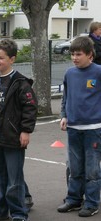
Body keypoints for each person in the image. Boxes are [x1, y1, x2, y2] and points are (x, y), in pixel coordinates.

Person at [0, 39, 38, 221]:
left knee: (14, 179)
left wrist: (25, 130)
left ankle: (19, 213)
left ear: (12, 59)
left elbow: (30, 107)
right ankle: (0, 209)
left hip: (13, 137)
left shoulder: (20, 82)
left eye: (1, 58)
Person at [58, 36, 100, 217]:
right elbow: (65, 97)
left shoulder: (98, 72)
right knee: (74, 168)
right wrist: (64, 116)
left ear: (90, 55)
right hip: (73, 129)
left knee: (92, 170)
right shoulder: (69, 73)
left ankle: (91, 203)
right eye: (72, 54)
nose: (74, 58)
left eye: (78, 54)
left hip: (94, 129)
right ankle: (74, 199)